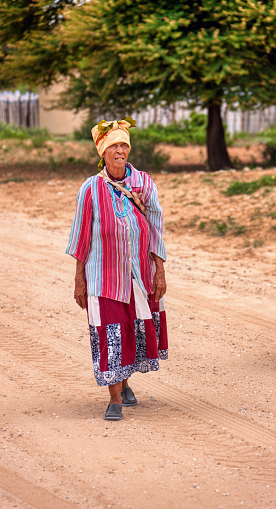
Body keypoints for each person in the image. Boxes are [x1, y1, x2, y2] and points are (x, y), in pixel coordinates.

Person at [66, 117, 168, 421]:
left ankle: (125, 384)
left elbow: (156, 227)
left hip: (138, 274)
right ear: (103, 152)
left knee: (132, 330)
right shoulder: (90, 188)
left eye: (124, 145)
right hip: (102, 275)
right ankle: (114, 399)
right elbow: (82, 236)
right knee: (109, 331)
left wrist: (159, 271)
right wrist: (79, 280)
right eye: (113, 146)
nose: (119, 150)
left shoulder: (144, 184)